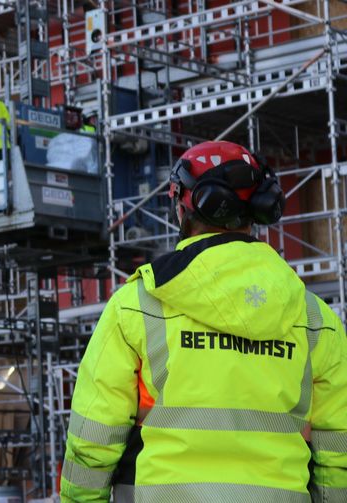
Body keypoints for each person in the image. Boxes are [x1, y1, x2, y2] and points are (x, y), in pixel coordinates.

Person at [61, 140, 347, 502]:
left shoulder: (136, 306)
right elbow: (338, 453)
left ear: (182, 208)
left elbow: (92, 442)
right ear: (259, 209)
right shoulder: (315, 320)